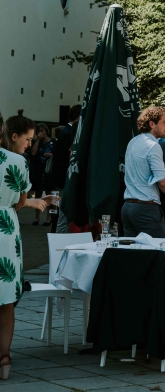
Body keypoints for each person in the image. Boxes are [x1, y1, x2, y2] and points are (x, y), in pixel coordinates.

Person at [0, 111, 48, 380]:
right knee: (5, 298)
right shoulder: (17, 161)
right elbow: (19, 202)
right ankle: (3, 358)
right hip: (5, 229)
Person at [122, 107, 165, 238]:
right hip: (145, 209)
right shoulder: (153, 145)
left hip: (128, 208)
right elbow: (162, 180)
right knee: (157, 252)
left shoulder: (132, 142)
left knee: (133, 255)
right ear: (152, 124)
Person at [51, 105, 79, 234]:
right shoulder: (69, 133)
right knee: (62, 216)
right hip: (64, 180)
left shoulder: (65, 131)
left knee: (61, 215)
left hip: (61, 179)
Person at [27, 123, 53, 226]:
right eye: (38, 131)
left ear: (46, 131)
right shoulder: (35, 142)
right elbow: (33, 153)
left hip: (49, 171)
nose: (40, 133)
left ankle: (49, 217)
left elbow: (59, 155)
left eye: (42, 131)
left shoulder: (53, 142)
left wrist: (52, 155)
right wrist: (37, 140)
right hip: (38, 171)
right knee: (37, 194)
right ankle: (37, 217)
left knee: (49, 194)